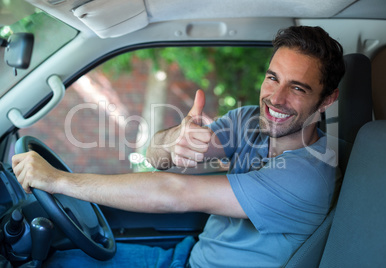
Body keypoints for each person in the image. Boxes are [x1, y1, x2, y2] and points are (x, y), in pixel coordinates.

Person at [12, 25, 345, 267]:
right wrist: (175, 142)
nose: (276, 97)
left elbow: (174, 193)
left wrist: (57, 180)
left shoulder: (309, 176)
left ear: (327, 99)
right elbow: (157, 158)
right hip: (187, 256)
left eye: (297, 88)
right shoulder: (248, 122)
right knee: (56, 262)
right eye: (273, 77)